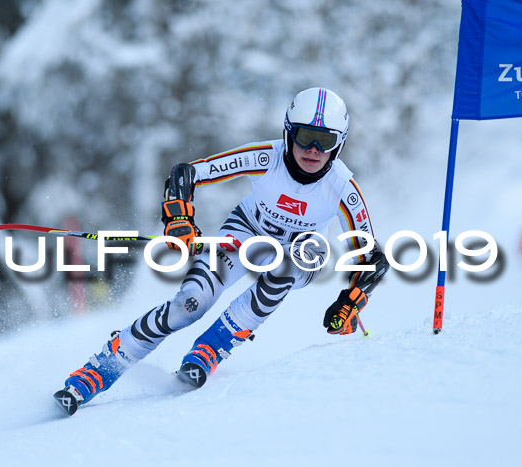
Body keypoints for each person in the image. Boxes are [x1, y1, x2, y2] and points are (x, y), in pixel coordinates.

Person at [55, 87, 390, 415]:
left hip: (299, 254)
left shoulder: (342, 188)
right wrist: (180, 217)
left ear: (339, 144)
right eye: (305, 137)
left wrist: (350, 302)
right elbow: (186, 175)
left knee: (296, 259)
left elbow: (372, 260)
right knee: (189, 305)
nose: (314, 149)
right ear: (289, 133)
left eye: (326, 141)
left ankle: (210, 349)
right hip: (244, 235)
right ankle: (99, 369)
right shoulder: (265, 158)